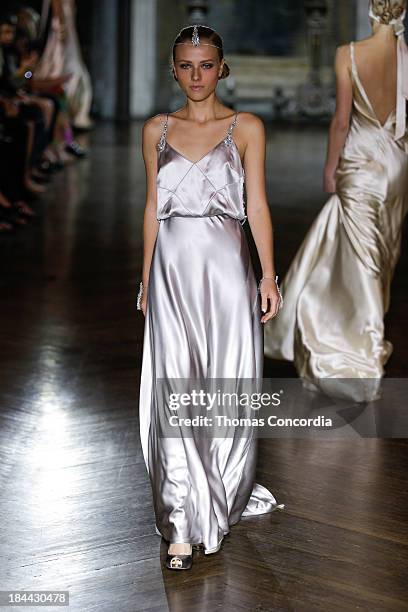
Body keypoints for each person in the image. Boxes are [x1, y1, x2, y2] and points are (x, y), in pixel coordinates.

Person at [138, 25, 284, 571]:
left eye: (205, 65)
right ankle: (180, 522)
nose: (195, 76)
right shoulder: (155, 129)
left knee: (225, 385)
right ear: (172, 68)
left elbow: (260, 205)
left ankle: (215, 500)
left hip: (227, 272)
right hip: (171, 272)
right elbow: (152, 207)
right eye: (185, 65)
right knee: (175, 387)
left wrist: (268, 276)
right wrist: (143, 279)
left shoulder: (246, 128)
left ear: (221, 68)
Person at [264, 0, 408, 403]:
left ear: (371, 11)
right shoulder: (406, 57)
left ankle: (359, 357)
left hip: (360, 161)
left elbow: (341, 121)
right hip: (398, 164)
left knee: (363, 258)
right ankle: (362, 335)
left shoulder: (348, 54)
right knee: (382, 255)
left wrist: (331, 167)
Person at [35, 0, 93, 130]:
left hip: (68, 30)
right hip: (62, 32)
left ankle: (67, 140)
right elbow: (27, 79)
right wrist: (61, 27)